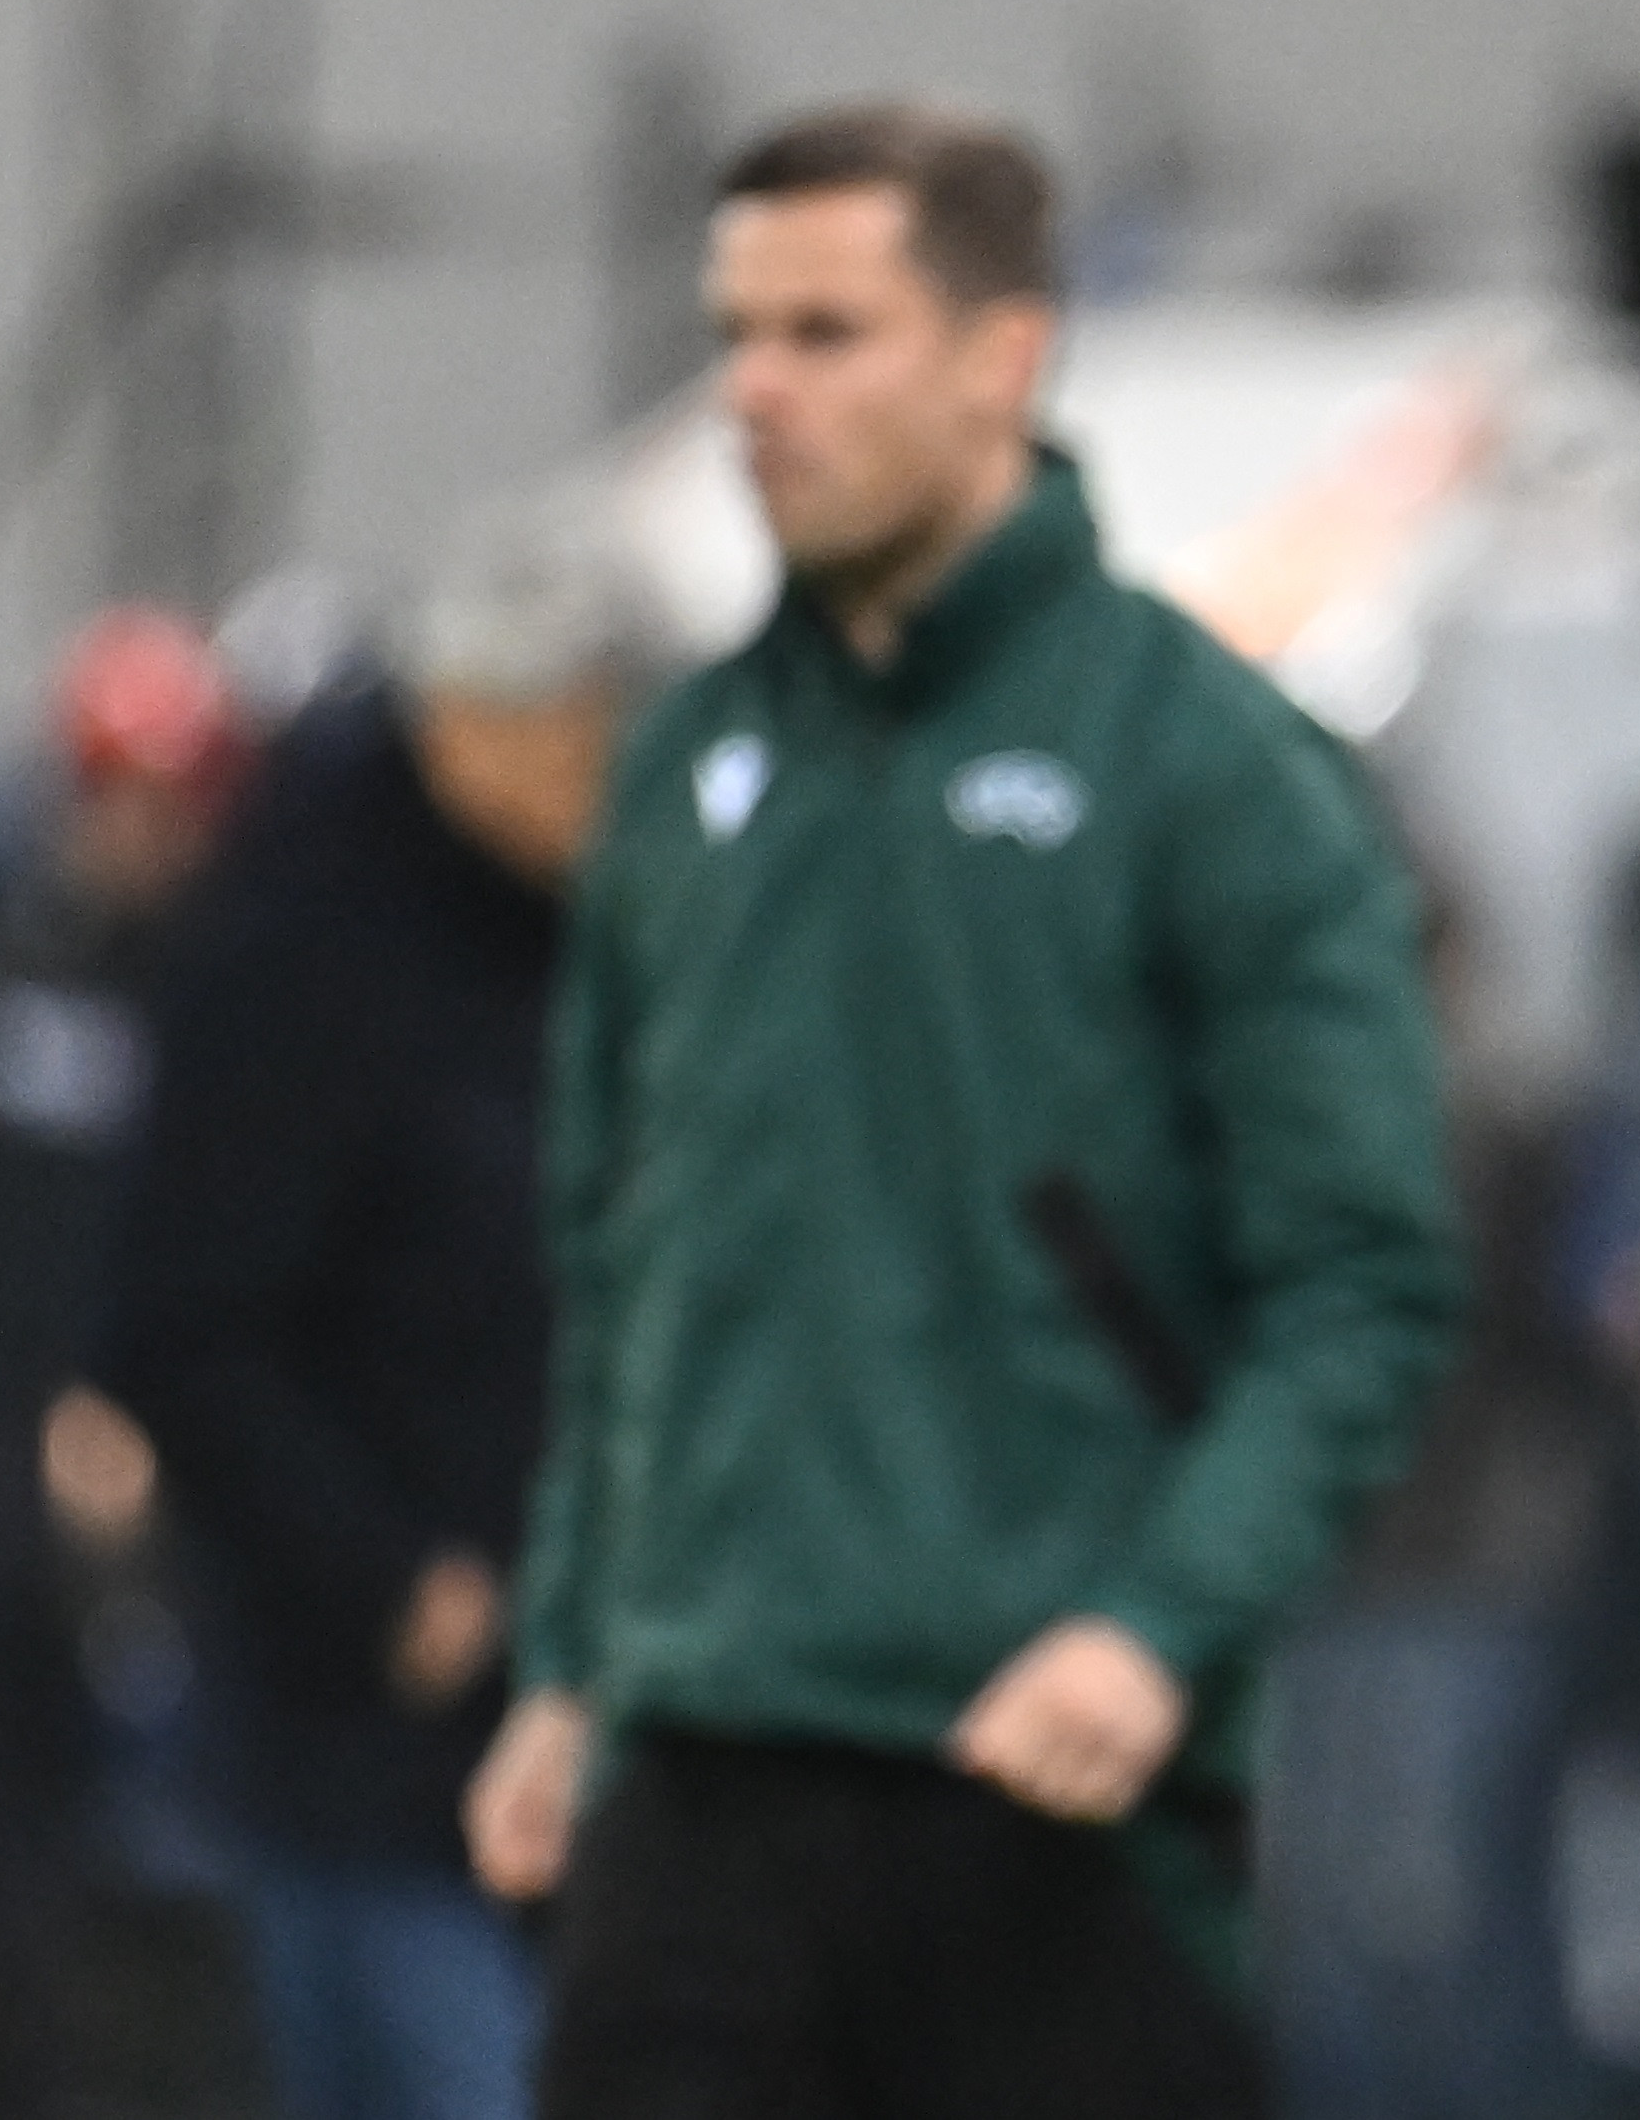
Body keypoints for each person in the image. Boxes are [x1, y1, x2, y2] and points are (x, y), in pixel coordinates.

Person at [463, 104, 1463, 2118]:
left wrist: (1154, 1627)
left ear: (1005, 354)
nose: (756, 391)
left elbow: (1364, 1283)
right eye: (737, 333)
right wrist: (570, 1659)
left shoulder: (1207, 762)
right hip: (692, 1792)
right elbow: (614, 1266)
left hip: (1052, 1795)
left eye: (826, 332)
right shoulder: (680, 771)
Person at [98, 503, 670, 2120]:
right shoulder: (305, 964)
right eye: (578, 723)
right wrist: (393, 1585)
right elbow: (181, 1329)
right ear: (468, 726)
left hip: (597, 1715)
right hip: (368, 1738)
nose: (607, 764)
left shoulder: (595, 950)